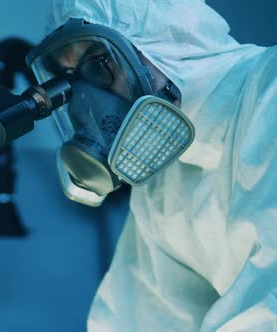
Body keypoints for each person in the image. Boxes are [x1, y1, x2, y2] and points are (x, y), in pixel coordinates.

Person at [26, 0, 277, 331]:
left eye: (99, 66)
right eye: (72, 82)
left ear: (168, 39)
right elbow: (139, 316)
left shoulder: (269, 94)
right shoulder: (164, 177)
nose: (86, 103)